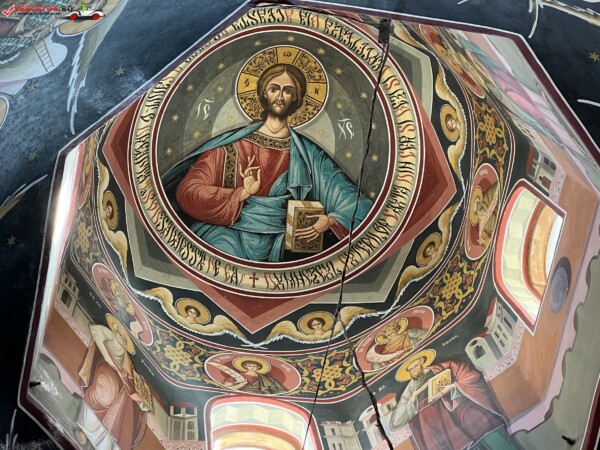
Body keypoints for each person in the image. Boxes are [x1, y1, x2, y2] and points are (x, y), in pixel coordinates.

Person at [163, 63, 373, 262]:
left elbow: (356, 203)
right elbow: (188, 192)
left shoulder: (308, 154)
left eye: (288, 91)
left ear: (297, 98)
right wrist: (241, 194)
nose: (280, 96)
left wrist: (331, 219)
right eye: (274, 89)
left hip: (280, 247)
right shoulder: (229, 146)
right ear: (264, 93)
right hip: (227, 236)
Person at [390, 352, 517, 450]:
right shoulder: (409, 390)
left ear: (423, 362)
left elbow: (471, 376)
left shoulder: (444, 367)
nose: (414, 370)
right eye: (411, 369)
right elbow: (395, 423)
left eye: (416, 366)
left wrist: (452, 387)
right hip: (432, 423)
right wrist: (413, 397)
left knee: (479, 421)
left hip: (457, 406)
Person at [79, 323, 150, 449]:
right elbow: (95, 330)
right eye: (120, 336)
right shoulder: (111, 342)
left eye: (123, 338)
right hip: (108, 375)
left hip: (112, 382)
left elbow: (128, 381)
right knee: (103, 395)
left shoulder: (124, 357)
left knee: (108, 398)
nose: (121, 339)